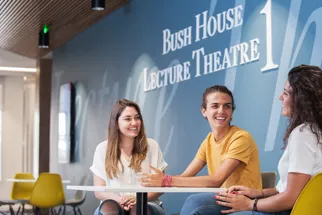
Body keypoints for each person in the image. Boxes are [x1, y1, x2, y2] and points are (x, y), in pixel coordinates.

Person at [213, 64, 322, 215]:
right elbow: (287, 189)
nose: (280, 97)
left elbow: (291, 197)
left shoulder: (303, 134)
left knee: (204, 206)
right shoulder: (315, 132)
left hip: (289, 210)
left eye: (285, 93)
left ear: (301, 99)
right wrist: (258, 193)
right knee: (199, 203)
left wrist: (251, 204)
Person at [140, 85, 262, 214]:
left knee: (195, 202)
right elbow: (185, 177)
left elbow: (216, 180)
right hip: (224, 198)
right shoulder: (208, 140)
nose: (221, 111)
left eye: (227, 106)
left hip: (243, 200)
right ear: (204, 111)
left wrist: (167, 180)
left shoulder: (241, 138)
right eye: (215, 106)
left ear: (232, 111)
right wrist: (146, 194)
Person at [90, 99, 168, 215]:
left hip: (148, 203)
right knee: (110, 209)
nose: (134, 123)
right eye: (128, 119)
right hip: (114, 203)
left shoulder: (152, 146)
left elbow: (161, 187)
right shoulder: (102, 149)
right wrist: (122, 200)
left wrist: (138, 199)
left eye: (137, 118)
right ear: (116, 123)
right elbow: (99, 191)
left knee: (138, 210)